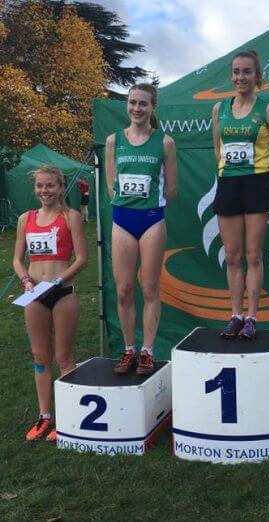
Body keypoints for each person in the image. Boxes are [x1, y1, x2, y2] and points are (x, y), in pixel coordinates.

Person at [212, 49, 269, 340]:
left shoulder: (268, 110)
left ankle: (252, 315)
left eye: (247, 72)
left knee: (253, 255)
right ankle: (235, 314)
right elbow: (217, 149)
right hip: (228, 184)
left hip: (256, 183)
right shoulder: (219, 109)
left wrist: (258, 177)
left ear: (257, 77)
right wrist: (232, 171)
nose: (241, 77)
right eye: (236, 72)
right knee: (232, 255)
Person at [105, 83, 177, 375]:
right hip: (122, 219)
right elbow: (112, 185)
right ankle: (128, 349)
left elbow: (171, 188)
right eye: (132, 103)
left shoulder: (164, 142)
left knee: (149, 288)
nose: (137, 108)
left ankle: (147, 350)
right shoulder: (114, 141)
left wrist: (150, 205)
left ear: (152, 107)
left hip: (151, 220)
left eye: (143, 104)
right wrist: (126, 202)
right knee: (123, 290)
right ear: (127, 106)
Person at [13, 165, 88, 441]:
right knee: (40, 356)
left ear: (60, 187)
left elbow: (81, 259)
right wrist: (25, 280)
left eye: (50, 186)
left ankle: (70, 417)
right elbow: (17, 259)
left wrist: (57, 281)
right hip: (34, 295)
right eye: (40, 186)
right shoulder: (25, 219)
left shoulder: (71, 217)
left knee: (64, 357)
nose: (44, 191)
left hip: (62, 293)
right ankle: (45, 417)